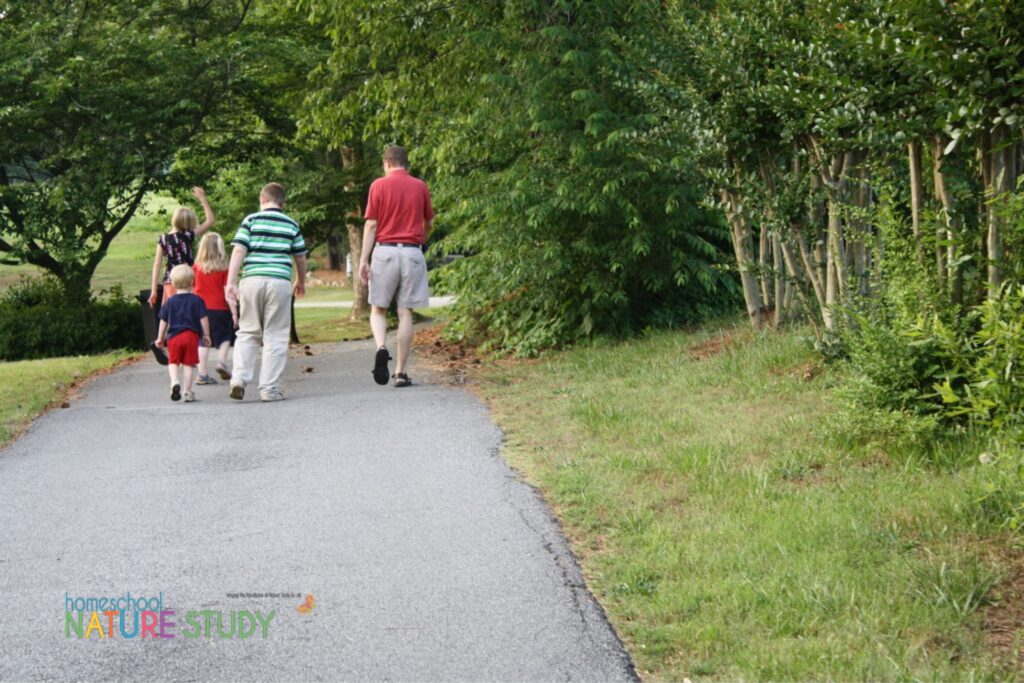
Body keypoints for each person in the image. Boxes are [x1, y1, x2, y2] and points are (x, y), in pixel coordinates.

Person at [359, 146, 434, 387]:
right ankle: (400, 373)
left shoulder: (378, 185)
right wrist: (420, 240)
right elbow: (428, 222)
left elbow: (371, 225)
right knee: (405, 313)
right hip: (412, 252)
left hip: (385, 251)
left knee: (378, 309)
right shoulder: (420, 186)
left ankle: (381, 347)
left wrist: (363, 259)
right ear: (405, 163)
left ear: (386, 163)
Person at [224, 182, 307, 402]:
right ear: (283, 203)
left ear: (262, 200)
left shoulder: (250, 220)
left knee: (248, 332)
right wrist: (300, 281)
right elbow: (300, 256)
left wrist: (231, 281)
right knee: (276, 336)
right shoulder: (291, 224)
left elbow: (239, 249)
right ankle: (268, 389)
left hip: (252, 280)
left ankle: (239, 379)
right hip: (279, 282)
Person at [148, 187, 215, 308]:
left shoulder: (162, 239)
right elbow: (210, 220)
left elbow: (157, 265)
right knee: (191, 312)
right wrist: (202, 199)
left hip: (171, 280)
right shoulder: (188, 235)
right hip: (188, 280)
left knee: (172, 315)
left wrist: (154, 290)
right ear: (188, 223)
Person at [155, 265, 212, 403]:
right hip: (191, 337)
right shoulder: (197, 300)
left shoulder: (170, 302)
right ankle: (187, 392)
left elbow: (163, 321)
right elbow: (203, 319)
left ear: (173, 284)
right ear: (192, 282)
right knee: (188, 365)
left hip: (173, 337)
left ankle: (174, 381)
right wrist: (206, 335)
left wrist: (160, 338)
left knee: (173, 362)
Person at [192, 232, 237, 385]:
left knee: (203, 340)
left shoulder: (196, 267)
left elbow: (191, 289)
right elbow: (228, 293)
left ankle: (202, 373)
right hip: (219, 309)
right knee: (225, 337)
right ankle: (221, 362)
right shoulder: (224, 268)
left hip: (199, 310)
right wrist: (234, 313)